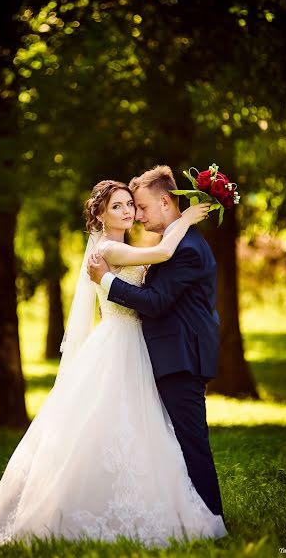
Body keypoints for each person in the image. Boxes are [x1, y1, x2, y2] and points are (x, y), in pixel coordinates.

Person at [0, 178, 226, 547]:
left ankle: (187, 508)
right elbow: (160, 256)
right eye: (120, 206)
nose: (130, 212)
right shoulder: (110, 249)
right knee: (107, 426)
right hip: (118, 342)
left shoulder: (125, 246)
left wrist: (114, 277)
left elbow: (155, 281)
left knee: (134, 428)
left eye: (133, 204)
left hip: (137, 345)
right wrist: (186, 219)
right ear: (100, 213)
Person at [88, 166, 225, 520]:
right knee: (164, 441)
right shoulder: (177, 242)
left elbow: (155, 300)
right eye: (124, 206)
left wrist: (105, 281)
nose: (137, 214)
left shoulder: (187, 249)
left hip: (181, 357)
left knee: (191, 442)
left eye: (141, 206)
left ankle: (211, 519)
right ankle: (183, 514)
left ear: (166, 202)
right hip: (163, 353)